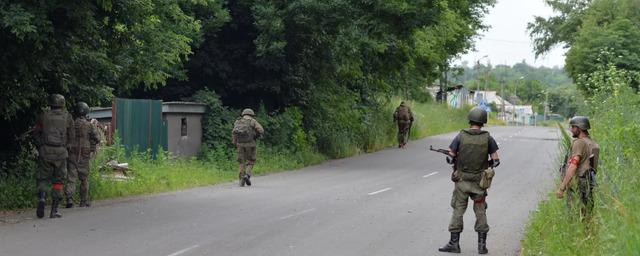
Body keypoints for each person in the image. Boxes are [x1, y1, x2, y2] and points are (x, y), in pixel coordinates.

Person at [439, 107, 500, 254]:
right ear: (483, 122)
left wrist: (454, 158)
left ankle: (454, 244)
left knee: (458, 210)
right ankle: (481, 246)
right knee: (480, 211)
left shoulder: (461, 136)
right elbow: (496, 160)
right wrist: (486, 166)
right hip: (480, 182)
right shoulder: (488, 138)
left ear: (470, 119)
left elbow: (450, 156)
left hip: (462, 182)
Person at [33, 94, 75, 218]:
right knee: (58, 181)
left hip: (45, 151)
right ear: (62, 104)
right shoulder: (67, 117)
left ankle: (42, 198)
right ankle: (54, 210)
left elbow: (36, 132)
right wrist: (66, 147)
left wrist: (40, 145)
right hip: (61, 153)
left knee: (43, 178)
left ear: (50, 103)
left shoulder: (43, 116)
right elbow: (72, 136)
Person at [556, 116, 599, 217]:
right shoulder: (592, 143)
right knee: (586, 213)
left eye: (573, 127)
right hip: (588, 182)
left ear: (579, 128)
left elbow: (573, 166)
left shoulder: (579, 143)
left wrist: (562, 187)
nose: (571, 129)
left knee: (573, 214)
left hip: (578, 184)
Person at [65, 102, 100, 208]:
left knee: (71, 178)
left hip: (72, 154)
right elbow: (97, 138)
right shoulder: (89, 125)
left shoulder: (71, 124)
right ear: (86, 112)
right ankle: (83, 201)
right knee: (84, 179)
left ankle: (69, 199)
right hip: (84, 155)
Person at [232, 108, 264, 187]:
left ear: (243, 114)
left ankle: (241, 181)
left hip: (240, 145)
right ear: (252, 114)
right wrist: (256, 134)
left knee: (241, 162)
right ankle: (247, 175)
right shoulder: (252, 121)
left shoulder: (237, 121)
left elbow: (234, 133)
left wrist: (234, 142)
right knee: (251, 161)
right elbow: (261, 130)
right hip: (250, 144)